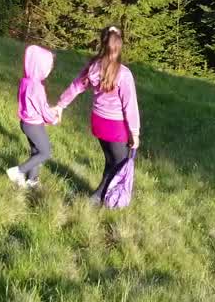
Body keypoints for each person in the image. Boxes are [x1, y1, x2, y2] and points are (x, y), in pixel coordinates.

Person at [52, 26, 140, 203]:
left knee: (110, 161)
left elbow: (76, 86)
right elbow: (130, 106)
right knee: (120, 163)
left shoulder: (93, 67)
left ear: (103, 43)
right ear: (119, 45)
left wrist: (61, 105)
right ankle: (99, 197)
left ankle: (104, 196)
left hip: (98, 123)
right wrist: (135, 133)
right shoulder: (124, 74)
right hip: (115, 128)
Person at [7, 44, 60, 188]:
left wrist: (49, 110)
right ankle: (18, 171)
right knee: (45, 152)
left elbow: (35, 105)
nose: (49, 70)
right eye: (48, 67)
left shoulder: (26, 81)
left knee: (36, 151)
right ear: (40, 67)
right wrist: (54, 118)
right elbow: (43, 109)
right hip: (34, 126)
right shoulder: (37, 87)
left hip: (26, 123)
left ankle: (32, 180)